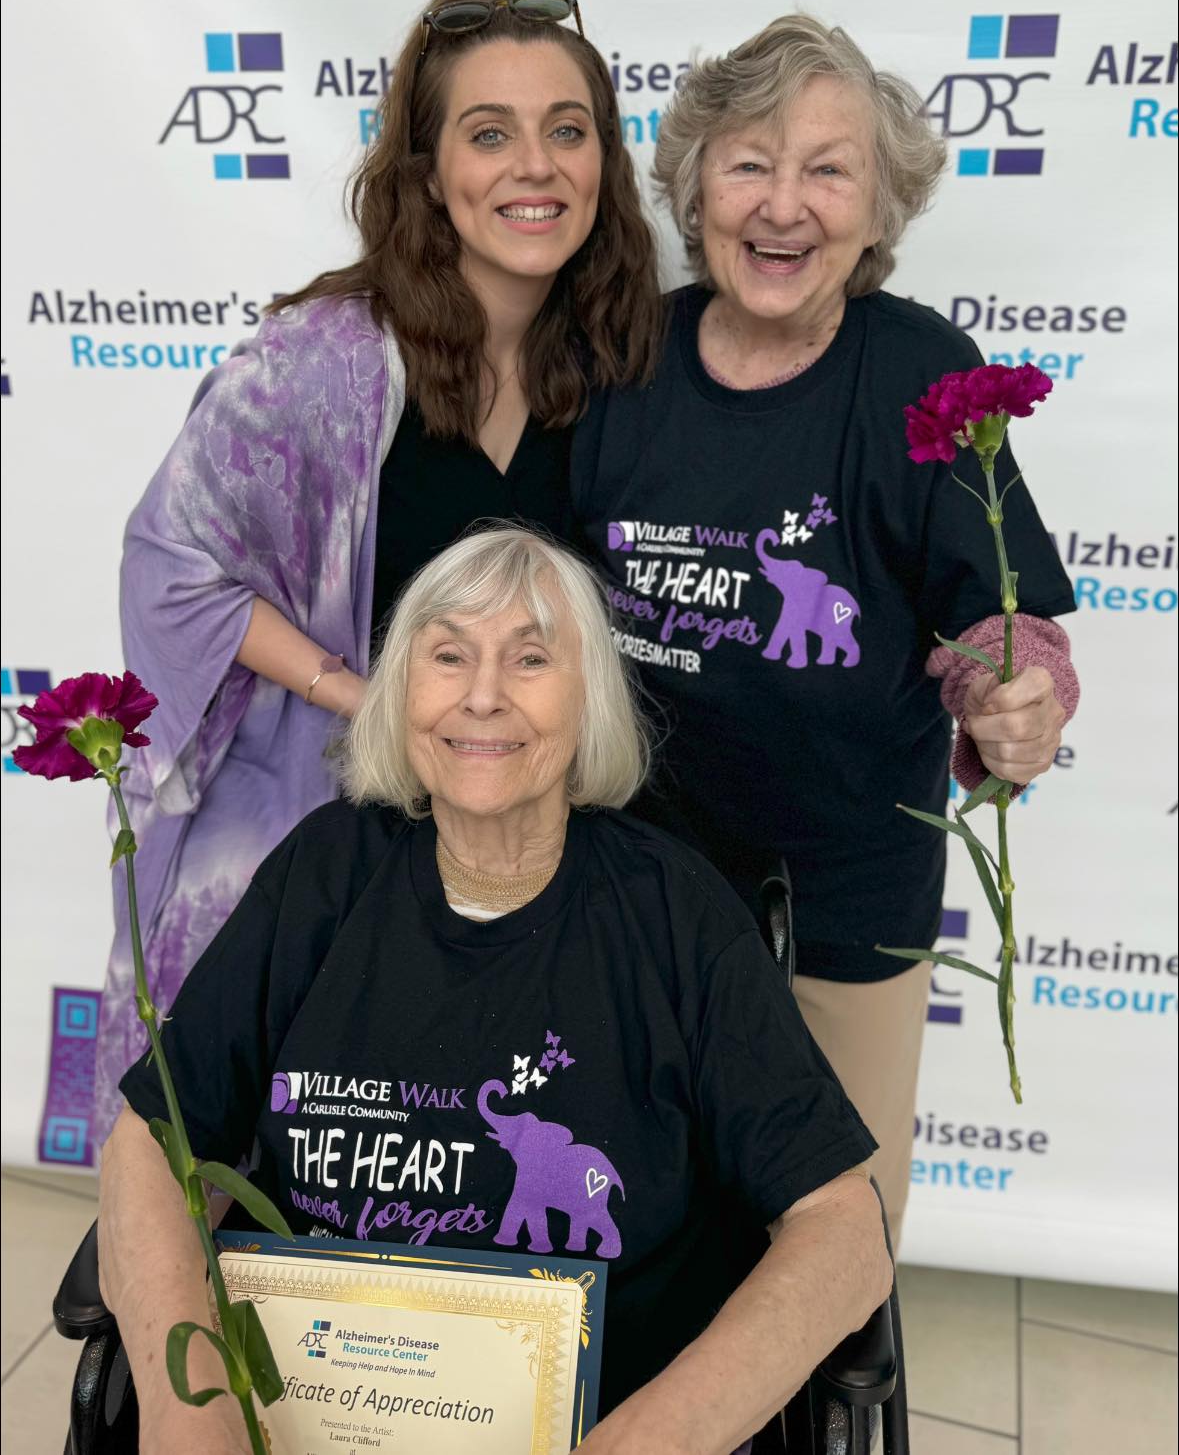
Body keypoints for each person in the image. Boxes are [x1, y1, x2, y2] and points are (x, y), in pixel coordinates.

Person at [100, 528, 892, 1455]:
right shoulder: (324, 874)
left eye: (529, 658)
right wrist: (193, 1414)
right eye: (447, 656)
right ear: (402, 693)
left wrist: (650, 1440)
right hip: (303, 1413)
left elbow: (842, 1231)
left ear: (587, 696)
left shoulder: (673, 913)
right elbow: (152, 1138)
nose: (482, 694)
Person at [94, 0, 663, 1148]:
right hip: (333, 860)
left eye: (569, 130)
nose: (536, 166)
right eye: (489, 132)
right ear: (426, 166)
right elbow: (172, 567)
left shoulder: (616, 363)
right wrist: (368, 703)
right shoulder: (328, 362)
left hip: (522, 877)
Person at [570, 14, 1081, 1244]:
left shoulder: (921, 374)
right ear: (695, 192)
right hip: (633, 887)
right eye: (749, 163)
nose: (782, 205)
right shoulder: (619, 358)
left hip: (845, 899)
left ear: (879, 210)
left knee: (830, 1236)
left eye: (827, 169)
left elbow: (1001, 616)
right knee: (648, 1218)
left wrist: (1019, 692)